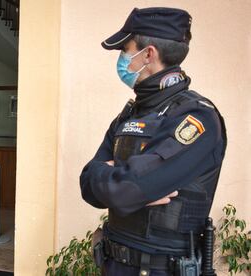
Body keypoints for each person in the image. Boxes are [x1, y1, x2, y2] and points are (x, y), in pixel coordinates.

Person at [80, 7, 226, 276]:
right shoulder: (130, 113)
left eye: (126, 49)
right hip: (113, 264)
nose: (123, 58)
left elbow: (127, 188)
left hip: (161, 269)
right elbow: (87, 184)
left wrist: (118, 176)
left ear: (148, 54)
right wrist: (124, 180)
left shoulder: (197, 116)